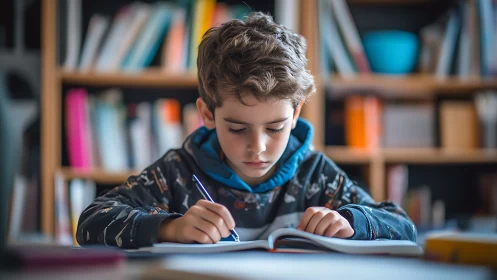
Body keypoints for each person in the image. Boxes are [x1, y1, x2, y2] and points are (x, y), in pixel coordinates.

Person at [77, 12, 416, 248]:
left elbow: (403, 225)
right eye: (238, 128)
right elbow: (91, 221)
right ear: (207, 114)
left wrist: (351, 222)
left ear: (296, 113)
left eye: (275, 127)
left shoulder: (316, 176)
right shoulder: (178, 173)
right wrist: (170, 227)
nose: (259, 147)